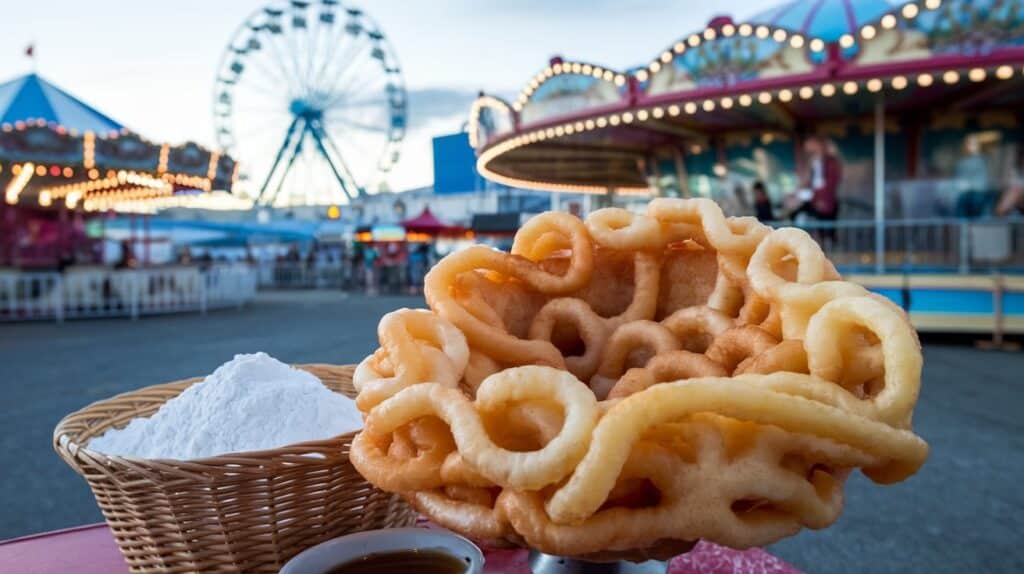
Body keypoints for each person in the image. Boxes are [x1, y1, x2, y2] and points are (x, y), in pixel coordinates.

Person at [792, 135, 841, 242]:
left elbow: (829, 184)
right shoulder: (813, 163)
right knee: (797, 215)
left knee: (825, 231)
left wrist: (815, 194)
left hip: (824, 203)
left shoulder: (830, 162)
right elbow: (806, 182)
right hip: (814, 201)